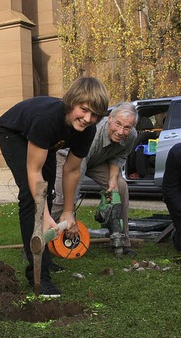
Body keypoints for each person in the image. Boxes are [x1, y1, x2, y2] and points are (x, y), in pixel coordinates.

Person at [0, 77, 109, 297]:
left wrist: (68, 211)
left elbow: (72, 170)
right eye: (84, 110)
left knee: (48, 193)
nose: (87, 119)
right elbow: (34, 172)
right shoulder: (46, 119)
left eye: (95, 115)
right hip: (15, 134)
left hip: (45, 141)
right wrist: (45, 214)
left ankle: (44, 258)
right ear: (72, 102)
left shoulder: (88, 130)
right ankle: (39, 275)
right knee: (31, 197)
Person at [51, 102, 138, 254]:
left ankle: (122, 240)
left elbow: (120, 155)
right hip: (68, 158)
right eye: (118, 124)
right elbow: (76, 171)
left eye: (127, 127)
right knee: (63, 199)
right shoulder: (95, 133)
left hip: (96, 160)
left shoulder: (131, 135)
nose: (120, 131)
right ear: (109, 118)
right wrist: (70, 211)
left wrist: (112, 178)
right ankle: (38, 243)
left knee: (120, 186)